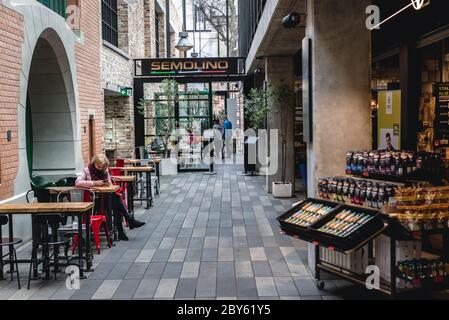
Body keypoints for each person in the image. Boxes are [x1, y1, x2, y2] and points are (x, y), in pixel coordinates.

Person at [75, 155, 145, 241]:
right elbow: (78, 183)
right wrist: (94, 183)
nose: (100, 169)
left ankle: (123, 229)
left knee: (116, 201)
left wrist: (108, 184)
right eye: (98, 166)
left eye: (102, 167)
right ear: (94, 163)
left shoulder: (105, 171)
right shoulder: (87, 171)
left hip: (105, 198)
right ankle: (127, 223)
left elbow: (111, 186)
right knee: (116, 201)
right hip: (94, 201)